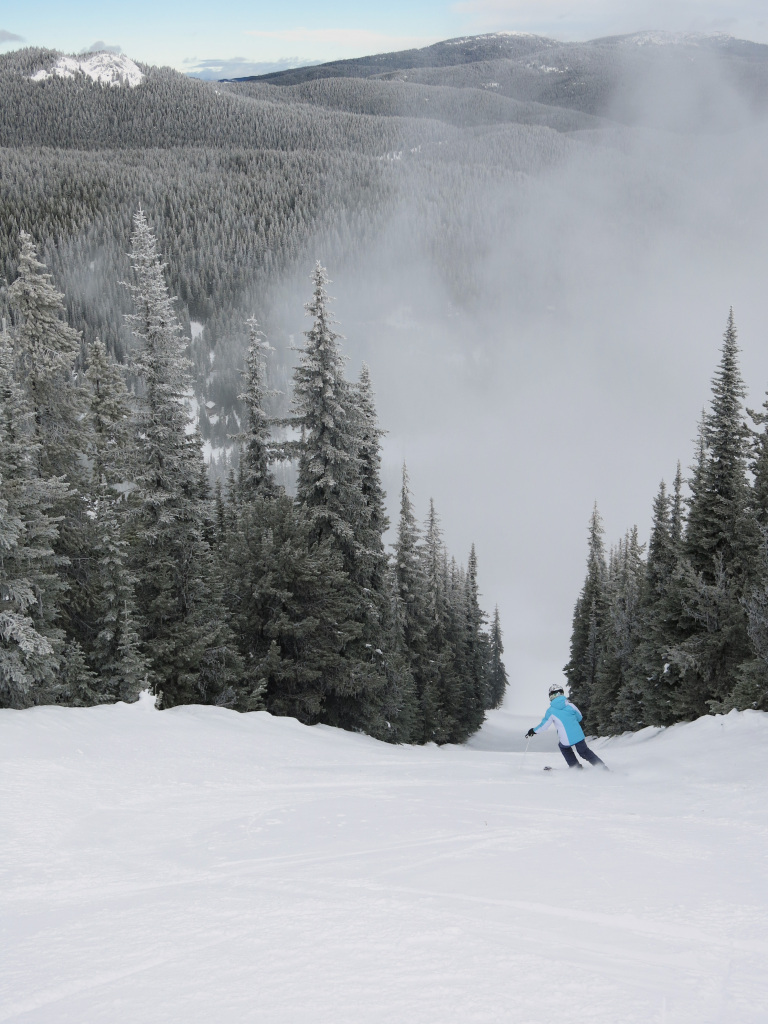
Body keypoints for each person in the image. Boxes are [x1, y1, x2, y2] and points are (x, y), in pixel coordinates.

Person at [525, 684, 608, 770]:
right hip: (578, 735)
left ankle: (575, 767)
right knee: (584, 752)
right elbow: (579, 717)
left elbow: (544, 726)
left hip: (565, 738)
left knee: (564, 748)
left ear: (550, 695)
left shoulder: (551, 711)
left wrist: (533, 731)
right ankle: (602, 768)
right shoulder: (571, 705)